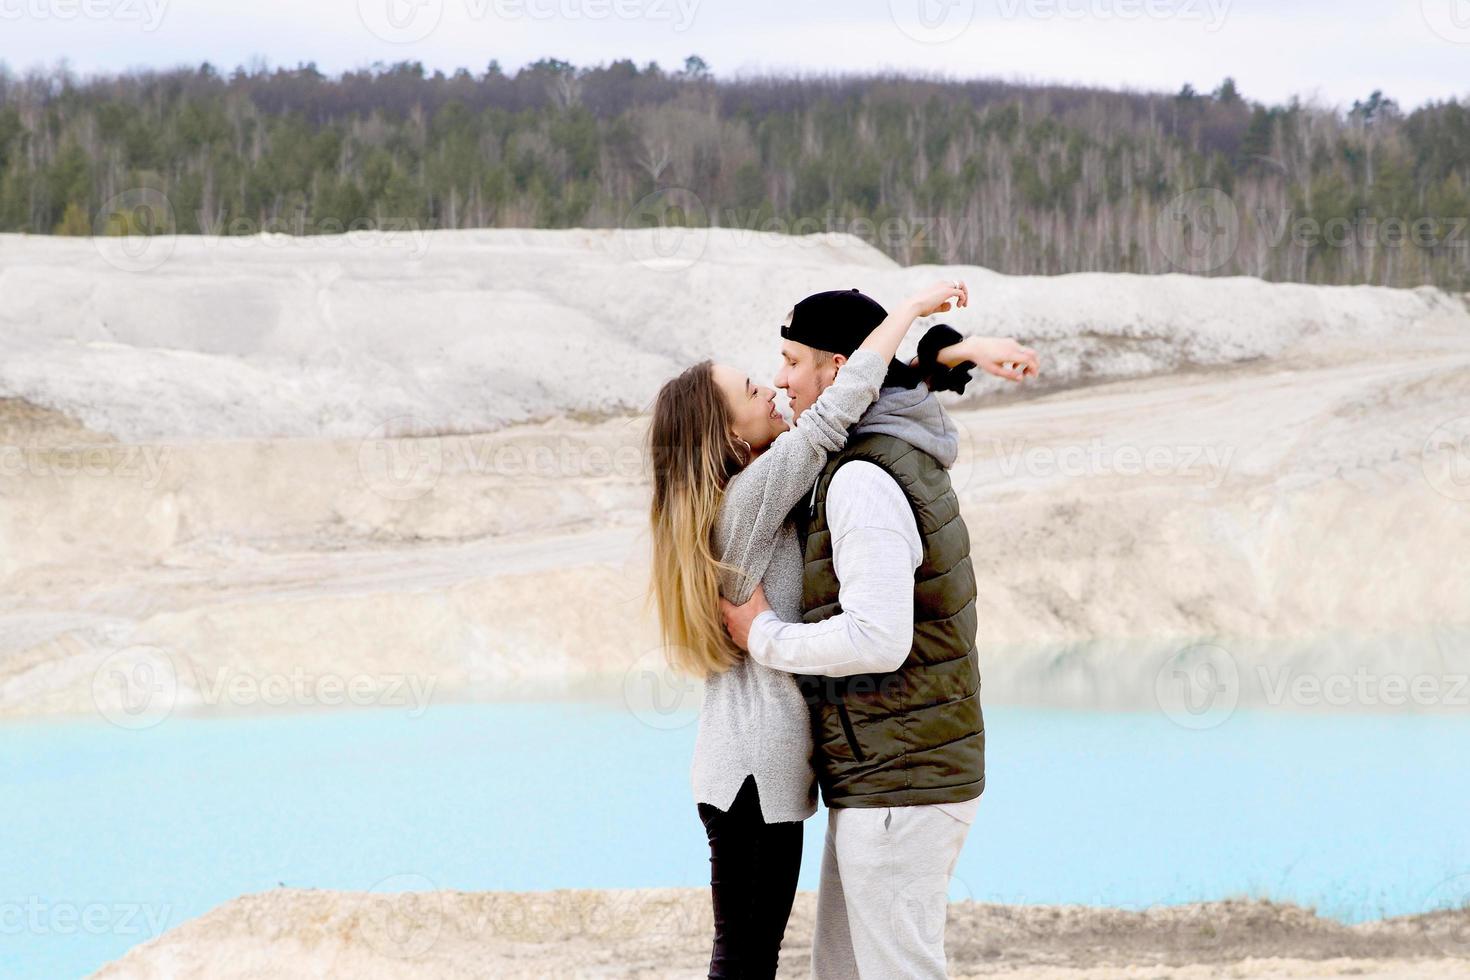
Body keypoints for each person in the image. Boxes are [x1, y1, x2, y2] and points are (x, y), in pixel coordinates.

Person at [648, 281, 1038, 979]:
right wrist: (911, 309)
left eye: (784, 364)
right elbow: (842, 407)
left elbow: (888, 389)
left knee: (761, 957)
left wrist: (959, 348)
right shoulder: (750, 500)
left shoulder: (786, 483)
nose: (772, 383)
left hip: (777, 775)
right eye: (754, 384)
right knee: (744, 959)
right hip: (753, 774)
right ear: (730, 433)